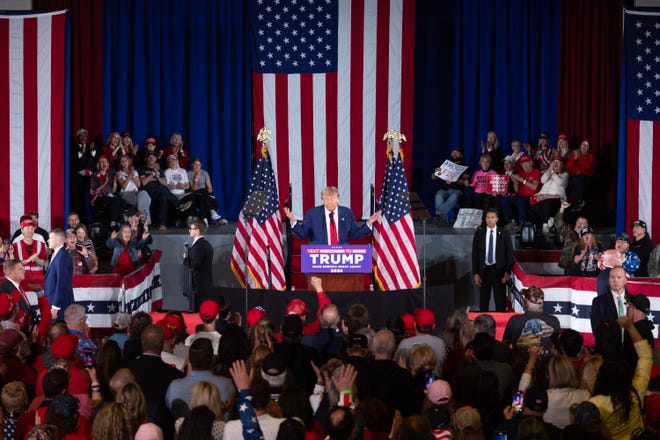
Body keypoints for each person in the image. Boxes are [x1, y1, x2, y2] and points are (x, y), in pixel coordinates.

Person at [588, 316, 653, 439]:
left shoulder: (595, 404)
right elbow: (646, 357)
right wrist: (630, 327)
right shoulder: (637, 390)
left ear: (601, 376)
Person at [283, 186, 379, 245]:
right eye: (326, 199)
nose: (330, 202)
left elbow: (355, 235)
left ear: (338, 199)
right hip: (318, 260)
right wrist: (292, 220)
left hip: (342, 259)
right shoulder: (312, 214)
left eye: (332, 199)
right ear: (322, 200)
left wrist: (369, 222)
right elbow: (303, 234)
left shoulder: (347, 213)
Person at [472, 209, 514, 311]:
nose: (490, 220)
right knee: (483, 302)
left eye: (492, 217)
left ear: (497, 219)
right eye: (487, 217)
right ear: (485, 219)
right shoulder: (479, 234)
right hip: (484, 271)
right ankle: (483, 326)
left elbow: (509, 254)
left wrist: (508, 272)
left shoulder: (504, 233)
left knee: (500, 302)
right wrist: (476, 273)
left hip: (499, 271)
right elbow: (475, 255)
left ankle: (500, 325)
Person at [138, 151, 191, 231]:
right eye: (149, 157)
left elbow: (165, 183)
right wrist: (153, 173)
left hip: (159, 192)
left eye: (153, 157)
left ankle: (162, 224)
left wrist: (158, 176)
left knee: (163, 196)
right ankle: (178, 204)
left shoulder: (160, 170)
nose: (151, 158)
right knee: (162, 189)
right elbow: (143, 182)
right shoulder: (142, 168)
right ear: (146, 159)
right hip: (148, 192)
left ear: (156, 159)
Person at [502, 286, 560, 354]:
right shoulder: (554, 321)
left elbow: (504, 346)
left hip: (520, 363)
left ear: (526, 302)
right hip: (546, 363)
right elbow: (558, 348)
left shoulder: (515, 320)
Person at [431, 146, 470, 225]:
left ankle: (440, 214)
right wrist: (435, 172)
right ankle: (443, 218)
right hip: (445, 189)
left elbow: (465, 182)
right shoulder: (446, 164)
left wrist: (454, 181)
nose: (454, 154)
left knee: (454, 197)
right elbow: (433, 177)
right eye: (453, 152)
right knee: (438, 196)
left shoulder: (465, 167)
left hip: (457, 190)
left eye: (457, 152)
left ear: (461, 155)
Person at [590, 266, 629, 344]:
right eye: (612, 277)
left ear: (625, 280)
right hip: (608, 350)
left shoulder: (633, 301)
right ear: (608, 280)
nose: (615, 281)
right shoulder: (598, 302)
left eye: (619, 277)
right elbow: (596, 329)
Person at [502, 154, 540, 230]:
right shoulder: (520, 173)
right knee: (504, 200)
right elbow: (516, 190)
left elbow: (534, 187)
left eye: (527, 163)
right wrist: (515, 183)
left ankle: (523, 223)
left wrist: (522, 179)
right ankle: (511, 222)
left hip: (531, 196)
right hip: (519, 196)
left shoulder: (536, 172)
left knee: (521, 201)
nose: (525, 165)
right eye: (523, 163)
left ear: (531, 163)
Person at [530, 157, 569, 230]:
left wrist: (552, 172)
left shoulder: (565, 175)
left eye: (558, 164)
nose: (555, 166)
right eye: (554, 164)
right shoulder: (549, 173)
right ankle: (548, 221)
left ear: (562, 165)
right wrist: (549, 169)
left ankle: (545, 225)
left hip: (556, 198)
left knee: (546, 202)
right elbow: (542, 180)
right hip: (543, 196)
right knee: (534, 205)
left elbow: (560, 182)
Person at [69, 128, 98, 222]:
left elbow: (96, 160)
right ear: (77, 137)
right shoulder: (72, 147)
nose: (83, 137)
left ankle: (88, 220)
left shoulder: (91, 147)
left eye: (85, 135)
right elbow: (72, 162)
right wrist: (80, 153)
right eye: (81, 135)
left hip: (89, 179)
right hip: (77, 179)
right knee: (77, 200)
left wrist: (93, 151)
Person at [44, 229, 73, 321]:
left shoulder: (62, 257)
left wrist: (56, 305)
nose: (48, 240)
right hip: (53, 301)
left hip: (59, 305)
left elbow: (61, 283)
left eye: (50, 238)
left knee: (58, 330)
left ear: (59, 241)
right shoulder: (57, 255)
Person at [90, 154, 125, 227]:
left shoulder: (110, 175)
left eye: (105, 162)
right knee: (115, 200)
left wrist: (115, 181)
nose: (104, 164)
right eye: (101, 162)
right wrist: (105, 182)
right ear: (98, 165)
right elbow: (95, 191)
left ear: (108, 164)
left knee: (122, 201)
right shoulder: (95, 175)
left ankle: (119, 221)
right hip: (99, 197)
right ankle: (113, 221)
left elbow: (113, 191)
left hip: (108, 197)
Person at [185, 218, 214, 307]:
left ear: (197, 231)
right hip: (206, 284)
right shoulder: (207, 244)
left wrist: (185, 258)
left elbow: (195, 265)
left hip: (199, 286)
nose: (189, 230)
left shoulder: (198, 246)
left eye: (191, 228)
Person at [554, 201, 589, 275]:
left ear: (586, 226)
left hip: (584, 266)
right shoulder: (569, 233)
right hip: (569, 265)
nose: (579, 224)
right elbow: (558, 223)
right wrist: (562, 208)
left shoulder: (589, 236)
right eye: (578, 222)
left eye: (582, 223)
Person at [188, 158, 226, 225]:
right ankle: (213, 213)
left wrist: (206, 193)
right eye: (195, 164)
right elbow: (193, 189)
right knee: (204, 191)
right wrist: (196, 179)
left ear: (201, 165)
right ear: (192, 165)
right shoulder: (189, 173)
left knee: (204, 193)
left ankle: (204, 218)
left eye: (199, 165)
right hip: (195, 194)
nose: (197, 166)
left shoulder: (204, 173)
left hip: (205, 194)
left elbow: (210, 189)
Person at [115, 154, 151, 226]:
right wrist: (130, 175)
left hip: (135, 193)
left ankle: (142, 218)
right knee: (145, 200)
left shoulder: (135, 172)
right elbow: (123, 186)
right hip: (126, 194)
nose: (125, 163)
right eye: (122, 162)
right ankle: (145, 220)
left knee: (144, 193)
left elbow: (138, 185)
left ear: (128, 162)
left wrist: (133, 174)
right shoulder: (119, 173)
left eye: (126, 161)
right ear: (120, 163)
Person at [565, 138, 596, 204]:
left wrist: (579, 157)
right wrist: (574, 158)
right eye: (583, 144)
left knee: (576, 179)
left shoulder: (591, 156)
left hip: (586, 178)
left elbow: (588, 167)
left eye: (586, 145)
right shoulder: (575, 154)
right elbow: (567, 167)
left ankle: (579, 202)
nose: (584, 146)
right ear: (580, 145)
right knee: (572, 179)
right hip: (574, 177)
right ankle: (572, 203)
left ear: (589, 148)